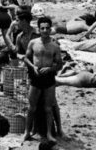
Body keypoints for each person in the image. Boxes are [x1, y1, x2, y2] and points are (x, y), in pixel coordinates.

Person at [23, 16, 62, 145]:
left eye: (47, 28)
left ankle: (49, 134)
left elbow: (59, 64)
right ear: (39, 29)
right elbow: (26, 58)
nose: (45, 30)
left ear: (50, 29)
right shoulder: (33, 43)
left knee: (48, 108)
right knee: (31, 107)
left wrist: (51, 69)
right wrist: (32, 66)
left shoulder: (55, 46)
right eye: (42, 28)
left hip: (49, 77)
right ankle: (27, 132)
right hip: (36, 76)